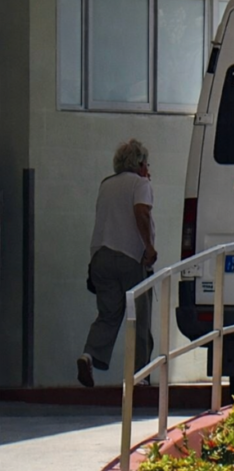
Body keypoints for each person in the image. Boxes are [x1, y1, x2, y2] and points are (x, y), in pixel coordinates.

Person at [77, 139, 156, 388]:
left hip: (100, 257)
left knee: (108, 314)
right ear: (140, 163)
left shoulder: (106, 184)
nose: (148, 169)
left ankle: (89, 355)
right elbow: (141, 212)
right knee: (140, 318)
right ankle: (140, 376)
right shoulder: (140, 184)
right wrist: (149, 247)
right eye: (146, 164)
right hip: (130, 257)